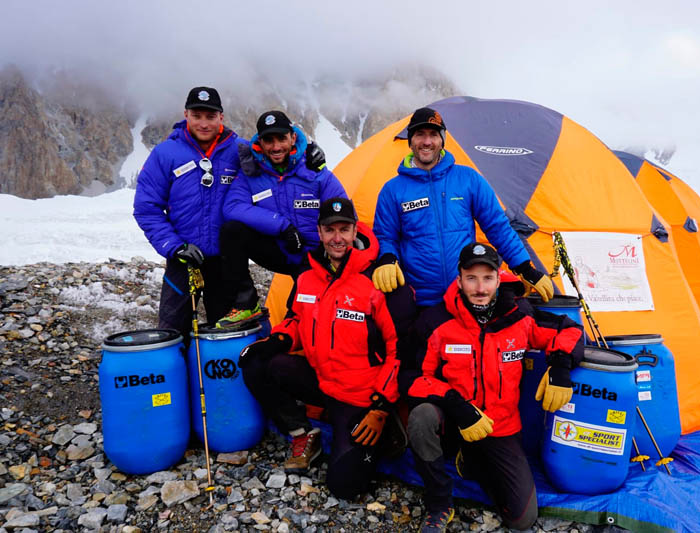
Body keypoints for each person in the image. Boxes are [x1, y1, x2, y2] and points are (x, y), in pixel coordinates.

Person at [237, 198, 415, 499]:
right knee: (255, 363)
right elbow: (296, 317)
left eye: (344, 230)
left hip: (360, 394)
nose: (337, 238)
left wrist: (381, 406)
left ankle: (383, 428)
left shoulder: (377, 278)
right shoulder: (308, 273)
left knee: (345, 486)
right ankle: (303, 433)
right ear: (319, 232)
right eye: (329, 230)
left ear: (355, 230)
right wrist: (276, 341)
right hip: (322, 380)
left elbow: (400, 350)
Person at [405, 242, 583, 532]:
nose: (480, 287)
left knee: (521, 519)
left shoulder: (520, 316)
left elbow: (570, 330)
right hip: (453, 419)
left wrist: (561, 368)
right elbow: (411, 376)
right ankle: (439, 502)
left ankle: (472, 460)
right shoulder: (436, 321)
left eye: (487, 278)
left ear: (499, 279)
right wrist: (457, 407)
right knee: (421, 417)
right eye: (471, 278)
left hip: (500, 426)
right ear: (459, 278)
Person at [372, 107, 555, 309]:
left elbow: (497, 227)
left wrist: (525, 268)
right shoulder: (393, 190)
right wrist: (387, 258)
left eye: (433, 135)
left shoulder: (468, 179)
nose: (426, 142)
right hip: (419, 301)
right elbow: (385, 236)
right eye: (419, 135)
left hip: (465, 296)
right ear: (410, 140)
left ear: (442, 140)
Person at [216, 110, 346, 328]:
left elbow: (342, 212)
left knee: (298, 316)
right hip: (280, 250)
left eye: (281, 139)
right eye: (268, 140)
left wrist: (330, 252)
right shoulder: (251, 173)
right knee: (232, 231)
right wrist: (282, 226)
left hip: (314, 257)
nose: (275, 147)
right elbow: (232, 207)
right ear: (259, 142)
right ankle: (247, 304)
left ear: (293, 137)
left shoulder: (315, 170)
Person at [133, 86, 242, 337]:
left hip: (225, 262)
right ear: (186, 115)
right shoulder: (165, 154)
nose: (204, 123)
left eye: (210, 116)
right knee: (172, 334)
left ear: (221, 117)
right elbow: (146, 208)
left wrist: (308, 155)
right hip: (182, 260)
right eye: (197, 115)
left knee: (227, 335)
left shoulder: (239, 151)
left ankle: (219, 377)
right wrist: (175, 246)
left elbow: (276, 155)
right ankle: (177, 375)